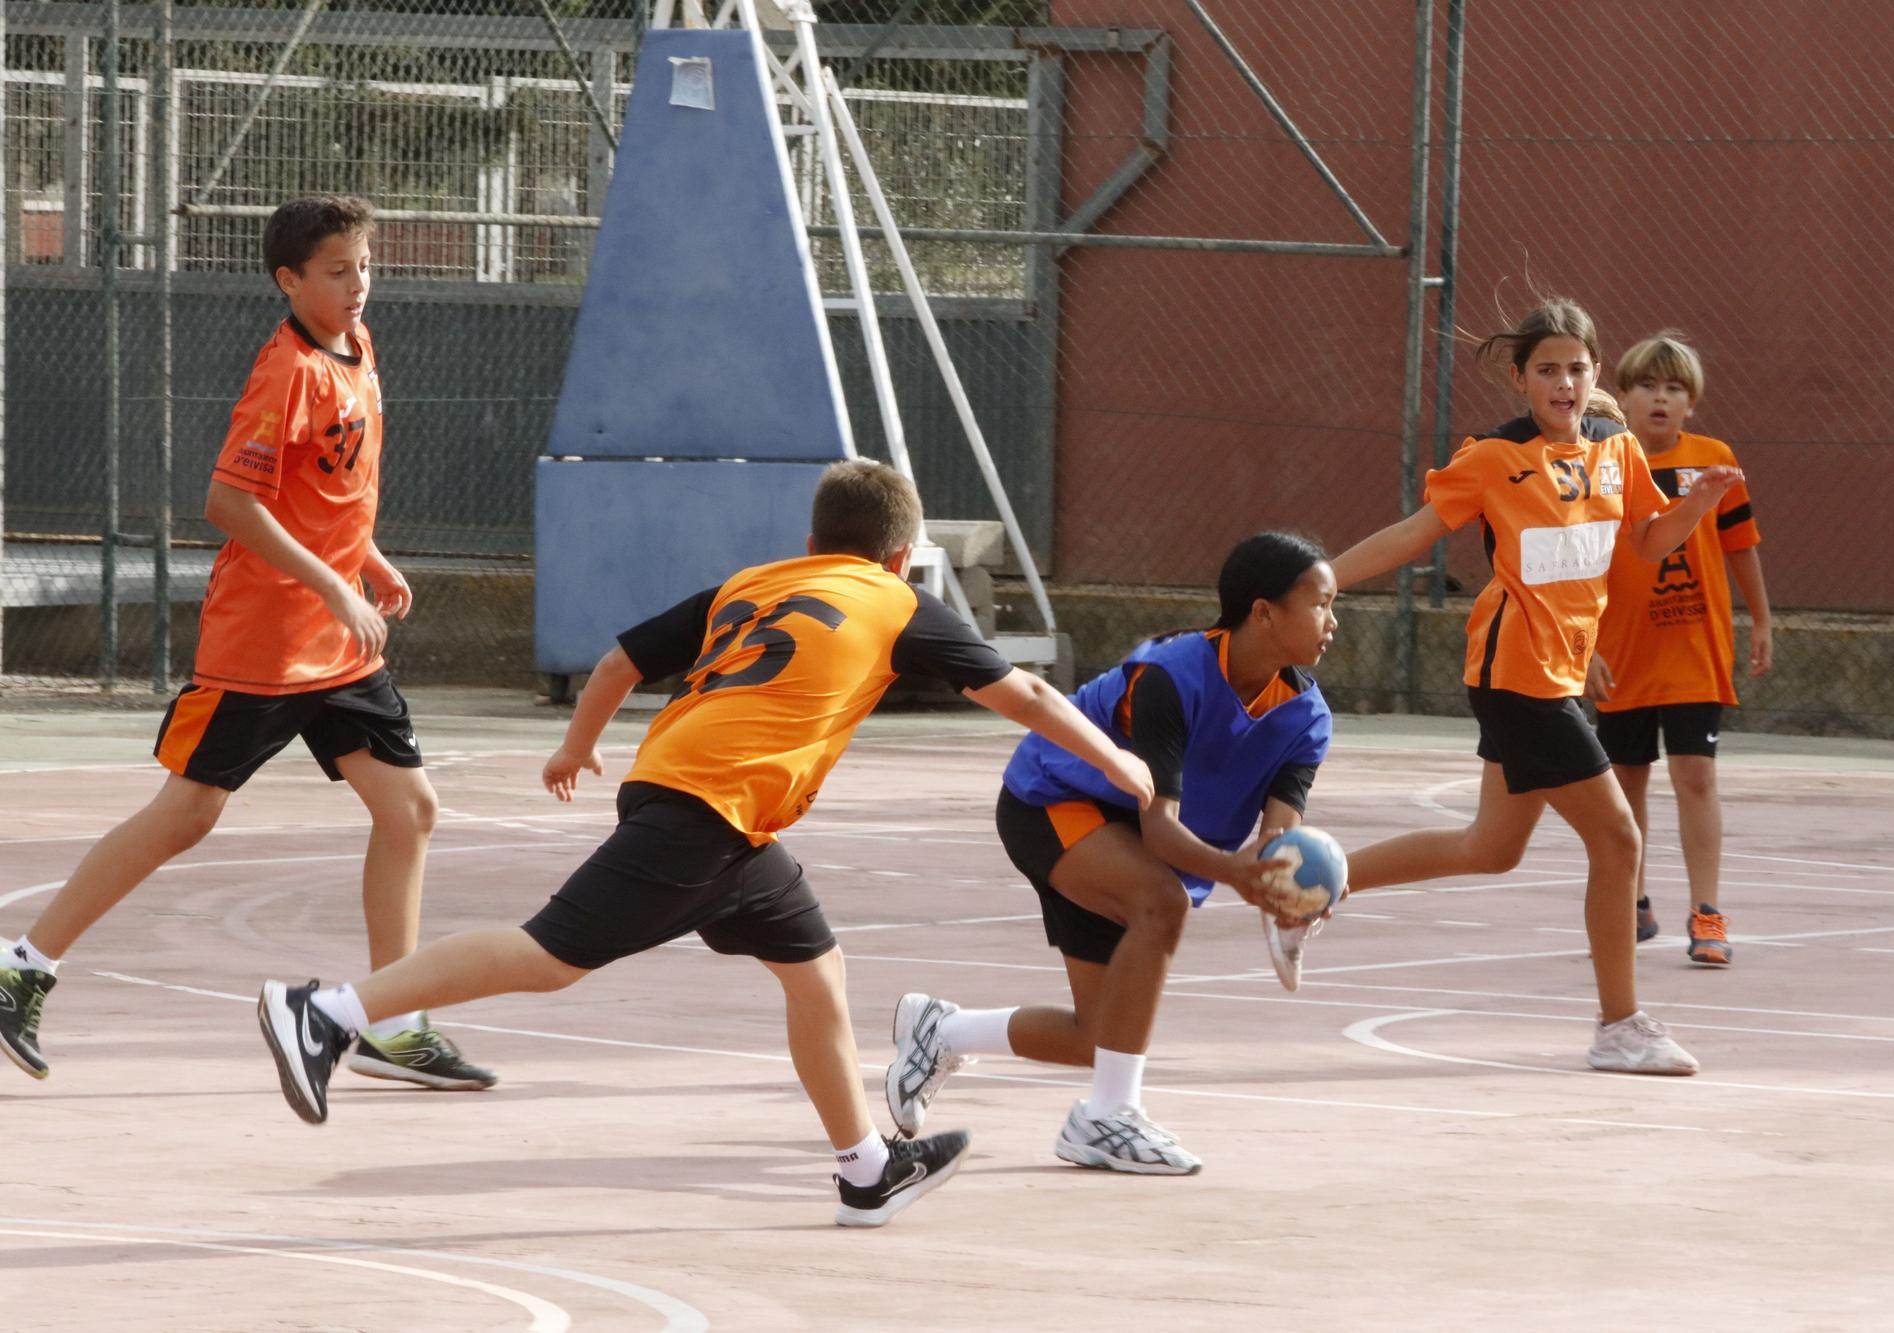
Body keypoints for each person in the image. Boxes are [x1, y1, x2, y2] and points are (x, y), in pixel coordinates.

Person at [255, 459, 1156, 1229]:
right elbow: (1028, 698)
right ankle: (330, 1012)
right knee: (549, 954)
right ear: (897, 555)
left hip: (700, 799)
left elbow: (616, 664)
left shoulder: (754, 582)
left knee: (816, 969)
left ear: (814, 542)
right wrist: (1114, 756)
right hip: (711, 806)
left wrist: (577, 745)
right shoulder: (894, 600)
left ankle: (866, 1168)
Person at [0, 196, 493, 1092]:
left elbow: (327, 489)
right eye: (337, 272)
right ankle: (24, 962)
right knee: (186, 815)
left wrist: (367, 561)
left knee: (409, 809)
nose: (357, 286)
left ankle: (389, 1018)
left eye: (364, 267)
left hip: (340, 643)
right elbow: (231, 503)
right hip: (266, 640)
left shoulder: (359, 347)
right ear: (289, 281)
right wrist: (336, 583)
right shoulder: (287, 372)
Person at [1327, 298, 1743, 1076]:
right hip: (1516, 675)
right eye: (1547, 368)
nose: (1564, 381)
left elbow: (1650, 542)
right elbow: (1417, 533)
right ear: (1520, 377)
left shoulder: (1617, 451)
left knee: (1490, 848)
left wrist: (1696, 502)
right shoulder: (1492, 457)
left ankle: (1314, 885)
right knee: (1618, 839)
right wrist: (1321, 579)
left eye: (1577, 367)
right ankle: (1620, 1025)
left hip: (1559, 672)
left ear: (1594, 373)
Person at [885, 532, 1336, 1174]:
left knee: (1100, 1035)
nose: (1333, 621)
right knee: (1162, 901)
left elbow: (1278, 841)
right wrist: (1240, 874)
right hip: (1053, 798)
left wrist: (1296, 886)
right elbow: (1161, 835)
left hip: (1122, 834)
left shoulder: (1307, 719)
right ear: (1263, 612)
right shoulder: (1172, 676)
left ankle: (942, 1033)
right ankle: (1106, 1118)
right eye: (1320, 604)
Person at [1587, 333, 1770, 966]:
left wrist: (1763, 621)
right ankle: (1632, 901)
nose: (1660, 398)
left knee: (1695, 776)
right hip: (1621, 649)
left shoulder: (1713, 460)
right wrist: (1584, 642)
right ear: (1623, 397)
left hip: (1695, 647)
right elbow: (1580, 561)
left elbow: (1741, 544)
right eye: (1647, 386)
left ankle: (1708, 911)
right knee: (1625, 781)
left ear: (1690, 403)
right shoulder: (1604, 463)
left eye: (1674, 389)